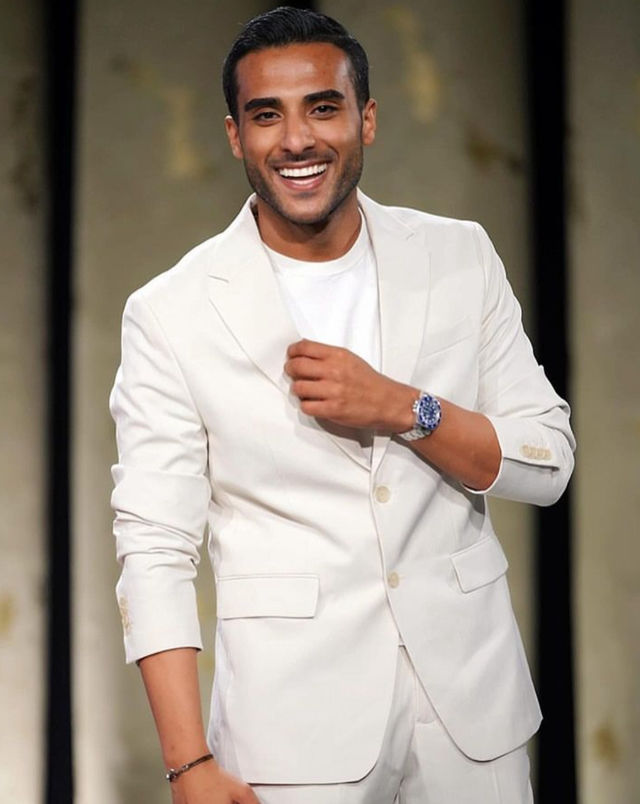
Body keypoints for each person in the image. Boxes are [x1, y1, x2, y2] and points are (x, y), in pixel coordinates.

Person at [110, 7, 575, 803]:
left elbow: (549, 464)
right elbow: (155, 546)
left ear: (367, 119)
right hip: (291, 731)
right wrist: (188, 763)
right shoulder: (172, 311)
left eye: (322, 107)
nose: (297, 139)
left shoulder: (458, 256)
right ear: (235, 136)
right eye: (268, 116)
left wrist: (404, 407)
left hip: (472, 717)